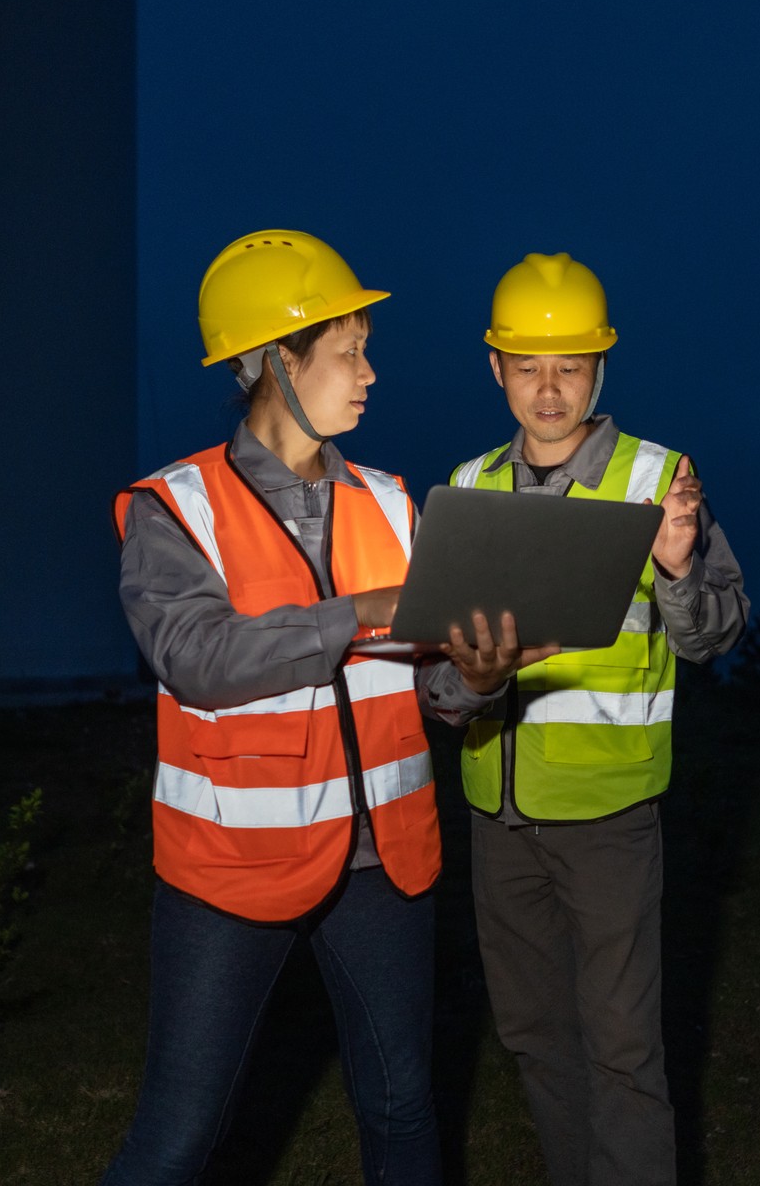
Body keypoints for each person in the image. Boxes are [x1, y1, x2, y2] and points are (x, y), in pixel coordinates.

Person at [103, 230, 547, 1186]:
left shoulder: (392, 504)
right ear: (276, 360)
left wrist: (480, 676)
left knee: (403, 1111)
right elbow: (197, 660)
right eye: (351, 353)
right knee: (175, 1143)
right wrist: (358, 613)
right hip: (230, 873)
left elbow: (431, 689)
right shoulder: (174, 509)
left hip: (383, 865)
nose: (372, 375)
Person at [448, 252, 749, 1186]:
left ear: (600, 369)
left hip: (611, 823)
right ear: (494, 368)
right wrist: (467, 683)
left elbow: (714, 636)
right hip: (497, 821)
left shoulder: (661, 477)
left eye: (570, 366)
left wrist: (677, 568)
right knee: (536, 1040)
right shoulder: (466, 488)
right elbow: (439, 677)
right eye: (529, 366)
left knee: (623, 1056)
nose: (549, 389)